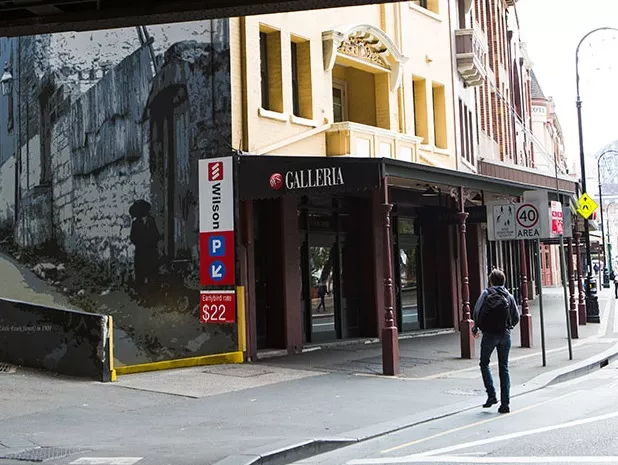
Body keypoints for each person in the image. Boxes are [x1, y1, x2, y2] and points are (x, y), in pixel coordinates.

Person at [472, 268, 520, 414]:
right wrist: (508, 326)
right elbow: (516, 316)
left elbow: (477, 311)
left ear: (491, 281)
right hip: (505, 335)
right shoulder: (509, 296)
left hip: (489, 335)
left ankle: (491, 395)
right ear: (504, 281)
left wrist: (476, 328)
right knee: (503, 368)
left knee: (484, 363)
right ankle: (505, 404)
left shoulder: (486, 294)